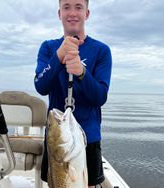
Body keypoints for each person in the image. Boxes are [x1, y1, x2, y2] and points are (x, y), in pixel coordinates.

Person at [34, 0, 112, 187]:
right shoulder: (48, 47)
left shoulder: (101, 50)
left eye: (78, 7)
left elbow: (100, 96)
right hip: (57, 141)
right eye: (66, 7)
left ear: (87, 13)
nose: (72, 13)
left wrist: (82, 73)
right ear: (59, 13)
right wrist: (58, 56)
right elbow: (40, 86)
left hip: (89, 136)